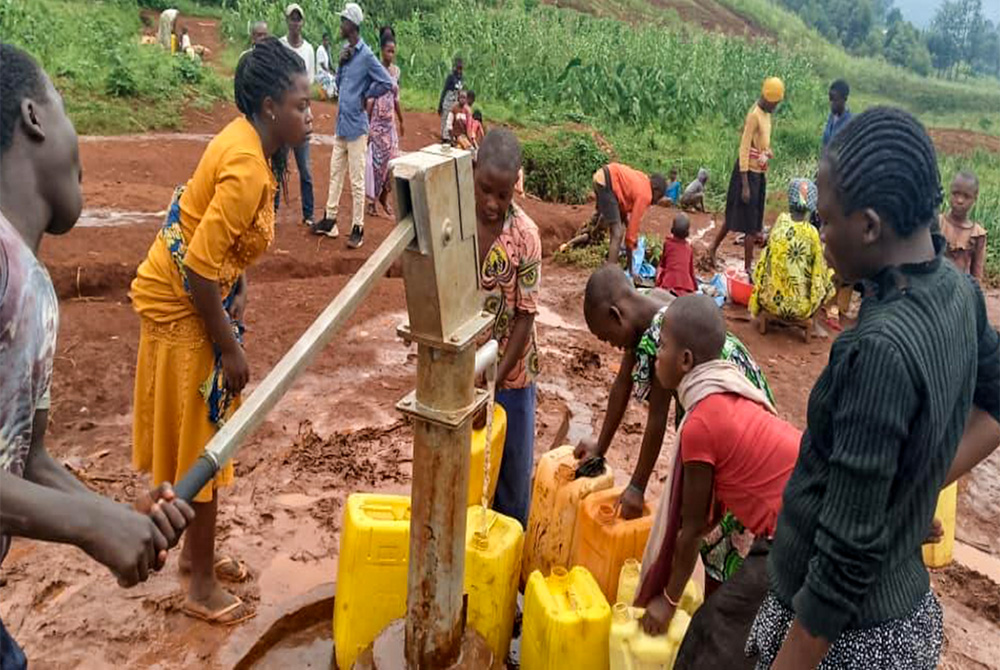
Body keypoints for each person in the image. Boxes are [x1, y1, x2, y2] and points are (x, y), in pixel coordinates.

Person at [747, 107, 1000, 669]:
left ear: (868, 226)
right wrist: (916, 488)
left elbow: (841, 565)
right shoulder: (960, 295)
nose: (818, 231)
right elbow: (995, 406)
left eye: (827, 218)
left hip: (844, 641)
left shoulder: (878, 350)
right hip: (902, 616)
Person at [0, 44, 194, 667]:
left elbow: (23, 462)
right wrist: (92, 527)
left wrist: (114, 517)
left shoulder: (31, 284)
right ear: (34, 117)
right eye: (64, 107)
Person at [130, 38, 312, 626]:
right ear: (267, 109)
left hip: (198, 298)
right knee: (204, 445)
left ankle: (196, 558)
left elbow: (220, 257)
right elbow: (199, 267)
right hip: (184, 305)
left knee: (204, 436)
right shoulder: (245, 170)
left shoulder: (257, 149)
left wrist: (236, 298)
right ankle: (198, 582)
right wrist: (229, 346)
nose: (310, 115)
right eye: (300, 105)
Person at [577, 266, 774, 586]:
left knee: (720, 520)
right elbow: (621, 385)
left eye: (606, 337)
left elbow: (656, 421)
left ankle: (719, 603)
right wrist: (601, 446)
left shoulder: (660, 336)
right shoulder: (647, 306)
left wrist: (637, 488)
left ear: (616, 315)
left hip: (731, 410)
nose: (610, 345)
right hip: (727, 395)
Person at [632, 296, 801, 639]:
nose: (656, 355)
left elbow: (692, 528)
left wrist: (668, 600)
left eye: (661, 346)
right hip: (809, 498)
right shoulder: (728, 387)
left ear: (685, 360)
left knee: (713, 636)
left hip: (794, 530)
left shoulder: (701, 424)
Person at [476, 129, 542, 528]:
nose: (492, 203)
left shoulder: (526, 236)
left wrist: (494, 386)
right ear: (473, 170)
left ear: (516, 183)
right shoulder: (455, 217)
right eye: (485, 190)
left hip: (512, 376)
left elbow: (525, 317)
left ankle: (507, 561)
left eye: (503, 195)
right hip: (462, 371)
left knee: (511, 481)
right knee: (464, 470)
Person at [312, 2, 393, 249]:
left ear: (352, 26)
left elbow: (387, 82)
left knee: (356, 180)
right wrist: (341, 62)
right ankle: (330, 219)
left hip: (357, 128)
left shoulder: (367, 56)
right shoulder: (346, 51)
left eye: (343, 21)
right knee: (335, 173)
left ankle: (358, 228)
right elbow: (339, 85)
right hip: (342, 125)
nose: (340, 25)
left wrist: (367, 94)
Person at [709, 78, 784, 274]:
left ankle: (712, 248)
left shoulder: (766, 115)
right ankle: (748, 268)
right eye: (775, 103)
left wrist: (766, 152)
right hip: (747, 174)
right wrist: (744, 184)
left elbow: (761, 144)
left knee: (746, 217)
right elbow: (744, 148)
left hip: (758, 173)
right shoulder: (754, 116)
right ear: (768, 98)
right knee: (750, 224)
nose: (775, 107)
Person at [749, 178, 834, 325]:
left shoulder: (781, 221)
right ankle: (814, 322)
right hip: (799, 309)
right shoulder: (812, 233)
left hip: (769, 300)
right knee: (827, 273)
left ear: (790, 200)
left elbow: (765, 259)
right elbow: (817, 274)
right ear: (811, 205)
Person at [277, 3, 316, 228]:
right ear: (287, 21)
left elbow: (307, 84)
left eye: (298, 18)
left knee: (305, 169)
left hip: (301, 115)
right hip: (283, 117)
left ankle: (309, 214)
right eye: (292, 18)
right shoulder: (280, 46)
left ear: (302, 22)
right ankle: (270, 212)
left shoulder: (309, 50)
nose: (295, 22)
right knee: (278, 168)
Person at [591, 163, 668, 273]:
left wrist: (627, 223)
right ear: (655, 189)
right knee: (617, 233)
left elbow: (624, 205)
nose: (655, 201)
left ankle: (592, 235)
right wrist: (631, 269)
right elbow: (630, 236)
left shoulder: (643, 180)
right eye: (658, 197)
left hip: (602, 177)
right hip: (608, 183)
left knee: (610, 217)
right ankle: (609, 274)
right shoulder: (646, 195)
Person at [364, 30, 403, 218]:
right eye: (388, 51)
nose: (391, 54)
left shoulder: (396, 72)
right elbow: (369, 99)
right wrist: (367, 127)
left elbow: (396, 99)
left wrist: (401, 120)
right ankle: (372, 202)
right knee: (376, 165)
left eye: (393, 51)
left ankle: (384, 197)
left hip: (390, 126)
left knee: (393, 163)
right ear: (381, 51)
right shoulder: (375, 70)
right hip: (377, 126)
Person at [940, 170, 986, 281]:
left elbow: (977, 273)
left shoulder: (977, 234)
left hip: (961, 292)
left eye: (966, 196)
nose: (960, 200)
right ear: (949, 191)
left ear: (975, 199)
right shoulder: (938, 223)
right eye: (955, 194)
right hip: (935, 290)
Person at [656, 214, 697, 295]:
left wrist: (657, 282)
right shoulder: (689, 249)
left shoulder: (667, 244)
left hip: (669, 284)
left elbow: (663, 265)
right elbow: (691, 272)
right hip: (686, 287)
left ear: (672, 230)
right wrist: (695, 288)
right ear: (687, 233)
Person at [438, 57, 464, 142]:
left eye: (461, 68)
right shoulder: (451, 77)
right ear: (455, 68)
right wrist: (440, 104)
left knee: (453, 119)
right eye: (458, 68)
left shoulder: (461, 79)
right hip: (448, 101)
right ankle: (445, 138)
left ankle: (451, 136)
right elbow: (444, 90)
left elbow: (461, 92)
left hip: (455, 102)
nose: (460, 70)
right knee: (445, 118)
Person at [821, 79, 852, 148]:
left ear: (845, 99)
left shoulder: (850, 122)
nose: (831, 103)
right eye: (830, 99)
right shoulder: (831, 117)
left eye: (835, 100)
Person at [316, 32, 337, 100]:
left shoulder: (327, 50)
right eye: (325, 40)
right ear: (323, 40)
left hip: (326, 71)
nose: (327, 42)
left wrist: (334, 71)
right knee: (330, 78)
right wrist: (329, 72)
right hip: (321, 73)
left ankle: (334, 94)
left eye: (328, 40)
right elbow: (322, 65)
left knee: (336, 77)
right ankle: (329, 95)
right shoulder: (320, 50)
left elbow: (330, 64)